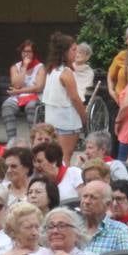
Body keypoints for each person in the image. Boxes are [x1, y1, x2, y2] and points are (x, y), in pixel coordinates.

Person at [39, 33, 89, 163]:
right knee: (65, 156)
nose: (76, 52)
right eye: (73, 49)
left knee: (53, 156)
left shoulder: (51, 69)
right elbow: (75, 98)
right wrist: (84, 116)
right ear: (64, 52)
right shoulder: (66, 73)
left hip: (51, 119)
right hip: (66, 121)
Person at [0, 39, 44, 143]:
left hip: (34, 96)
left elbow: (38, 87)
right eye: (24, 51)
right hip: (18, 97)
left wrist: (18, 91)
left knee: (31, 107)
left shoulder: (40, 67)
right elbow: (16, 84)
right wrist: (24, 67)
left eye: (29, 51)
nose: (26, 54)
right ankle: (12, 141)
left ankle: (34, 140)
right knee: (7, 105)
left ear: (34, 53)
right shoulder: (15, 67)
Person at [77, 180, 128, 254]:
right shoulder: (72, 228)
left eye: (93, 198)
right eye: (85, 196)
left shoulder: (120, 231)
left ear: (108, 204)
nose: (86, 201)